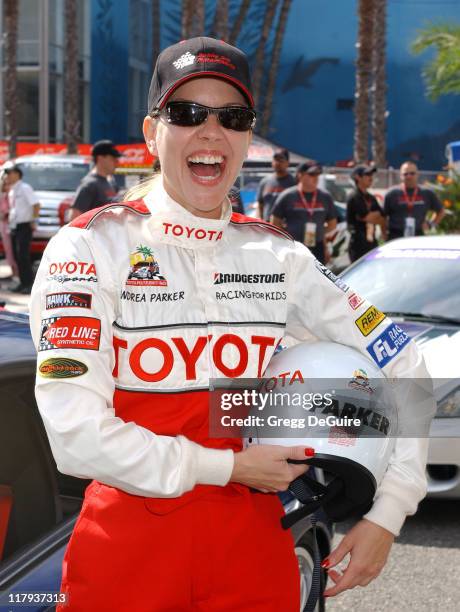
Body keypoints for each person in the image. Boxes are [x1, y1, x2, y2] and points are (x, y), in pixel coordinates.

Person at [30, 37, 433, 610]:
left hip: (253, 554)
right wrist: (227, 465)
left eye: (233, 116)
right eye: (187, 113)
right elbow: (74, 437)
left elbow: (406, 361)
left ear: (248, 138)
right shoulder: (93, 245)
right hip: (127, 551)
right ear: (151, 134)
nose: (211, 132)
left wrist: (388, 514)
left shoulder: (278, 257)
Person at [270, 159, 337, 264]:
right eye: (311, 174)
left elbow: (332, 224)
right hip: (293, 246)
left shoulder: (325, 196)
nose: (316, 178)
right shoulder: (287, 195)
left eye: (317, 175)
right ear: (299, 175)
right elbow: (274, 221)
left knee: (315, 279)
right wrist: (286, 237)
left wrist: (319, 233)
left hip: (317, 246)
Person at [383, 161, 445, 241]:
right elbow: (382, 217)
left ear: (418, 174)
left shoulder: (427, 193)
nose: (409, 176)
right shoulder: (391, 193)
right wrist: (384, 233)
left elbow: (441, 211)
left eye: (412, 173)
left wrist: (430, 224)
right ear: (401, 176)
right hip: (395, 235)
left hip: (418, 235)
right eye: (405, 174)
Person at [5, 165, 40, 293]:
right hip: (14, 226)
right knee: (17, 256)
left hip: (25, 225)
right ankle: (22, 282)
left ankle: (30, 284)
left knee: (23, 255)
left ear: (18, 174)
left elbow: (36, 204)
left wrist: (34, 220)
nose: (8, 176)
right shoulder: (12, 190)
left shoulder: (25, 188)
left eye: (10, 173)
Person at [69, 139, 121, 221]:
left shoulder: (110, 182)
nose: (117, 162)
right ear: (100, 158)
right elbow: (74, 217)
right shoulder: (90, 184)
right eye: (113, 159)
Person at [346, 165, 385, 262]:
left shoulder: (371, 197)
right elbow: (367, 217)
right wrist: (374, 216)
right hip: (358, 244)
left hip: (371, 243)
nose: (371, 177)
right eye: (367, 174)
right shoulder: (354, 196)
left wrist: (374, 216)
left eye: (372, 174)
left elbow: (382, 218)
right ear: (357, 177)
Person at [256, 148, 296, 220]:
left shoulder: (294, 182)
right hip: (267, 226)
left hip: (285, 227)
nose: (277, 163)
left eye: (281, 160)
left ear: (287, 163)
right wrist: (259, 220)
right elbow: (260, 204)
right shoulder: (265, 181)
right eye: (275, 160)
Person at [0, 173, 18, 278]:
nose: (7, 187)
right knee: (9, 249)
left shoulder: (14, 194)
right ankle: (14, 272)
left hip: (15, 224)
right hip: (5, 226)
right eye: (5, 184)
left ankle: (18, 273)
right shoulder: (2, 197)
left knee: (17, 249)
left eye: (9, 184)